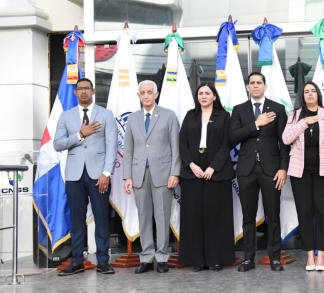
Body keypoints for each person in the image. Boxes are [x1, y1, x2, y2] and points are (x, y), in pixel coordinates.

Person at [54, 77, 118, 276]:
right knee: (76, 220)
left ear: (94, 91)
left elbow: (111, 146)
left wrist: (106, 173)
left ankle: (103, 261)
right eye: (79, 89)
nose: (83, 92)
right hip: (74, 176)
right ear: (75, 93)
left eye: (86, 89)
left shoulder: (106, 114)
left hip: (99, 175)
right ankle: (77, 261)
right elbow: (57, 144)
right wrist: (80, 135)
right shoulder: (66, 116)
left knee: (101, 218)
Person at [229, 72, 289, 272]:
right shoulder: (239, 110)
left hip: (271, 170)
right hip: (246, 170)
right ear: (247, 87)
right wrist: (256, 124)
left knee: (273, 215)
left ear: (265, 86)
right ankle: (248, 258)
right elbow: (233, 136)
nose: (255, 86)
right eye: (252, 83)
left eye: (259, 83)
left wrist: (283, 168)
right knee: (248, 216)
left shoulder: (278, 109)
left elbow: (284, 142)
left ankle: (274, 258)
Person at [123, 80, 181, 274]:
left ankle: (162, 256)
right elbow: (128, 150)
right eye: (142, 93)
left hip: (164, 174)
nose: (146, 96)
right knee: (144, 217)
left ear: (156, 95)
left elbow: (175, 147)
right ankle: (146, 257)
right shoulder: (133, 119)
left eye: (150, 92)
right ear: (138, 96)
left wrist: (175, 173)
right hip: (139, 174)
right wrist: (127, 176)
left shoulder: (168, 115)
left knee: (162, 216)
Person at [282, 81, 324, 271]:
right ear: (302, 95)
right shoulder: (295, 114)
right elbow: (286, 138)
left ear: (318, 94)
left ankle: (321, 254)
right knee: (305, 212)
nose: (309, 94)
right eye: (306, 91)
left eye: (313, 91)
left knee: (322, 212)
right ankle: (309, 255)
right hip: (300, 172)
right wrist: (303, 123)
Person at [178, 82, 235, 272]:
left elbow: (227, 144)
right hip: (192, 172)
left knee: (216, 217)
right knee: (193, 217)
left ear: (214, 97)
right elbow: (182, 143)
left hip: (217, 173)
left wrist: (213, 167)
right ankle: (197, 260)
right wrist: (192, 165)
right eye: (200, 93)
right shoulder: (189, 115)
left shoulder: (224, 116)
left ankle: (216, 259)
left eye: (207, 93)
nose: (203, 96)